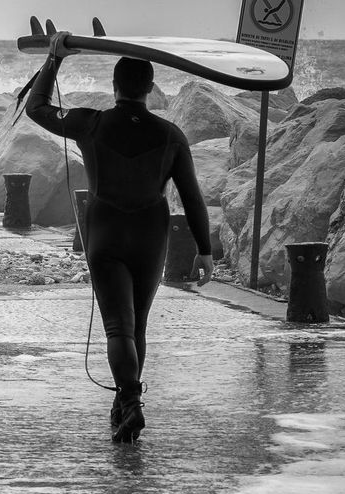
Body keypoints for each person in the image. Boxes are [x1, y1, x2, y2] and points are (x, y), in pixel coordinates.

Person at [24, 34, 214, 443]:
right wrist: (205, 250)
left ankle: (129, 402)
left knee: (118, 327)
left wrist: (55, 60)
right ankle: (125, 402)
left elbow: (35, 107)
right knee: (137, 325)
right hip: (150, 234)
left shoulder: (90, 122)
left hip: (106, 231)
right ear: (150, 89)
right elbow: (193, 198)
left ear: (115, 86)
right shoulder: (170, 134)